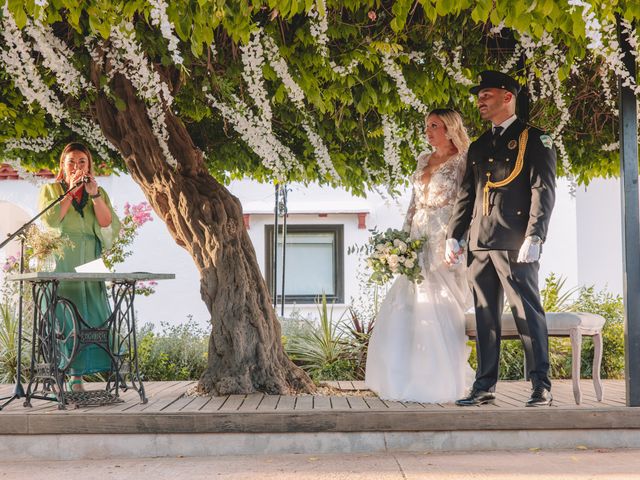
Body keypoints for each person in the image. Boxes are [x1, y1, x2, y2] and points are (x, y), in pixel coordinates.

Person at [446, 70, 557, 407]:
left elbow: (543, 190)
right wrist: (454, 235)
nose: (480, 100)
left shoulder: (536, 139)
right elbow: (468, 194)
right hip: (480, 242)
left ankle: (541, 385)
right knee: (485, 317)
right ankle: (484, 385)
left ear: (508, 97)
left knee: (526, 313)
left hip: (515, 242)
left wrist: (535, 235)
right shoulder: (479, 145)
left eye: (487, 94)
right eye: (479, 95)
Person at [365, 109, 474, 403]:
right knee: (409, 301)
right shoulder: (423, 160)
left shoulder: (464, 160)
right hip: (417, 234)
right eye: (426, 126)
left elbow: (469, 203)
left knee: (440, 304)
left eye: (434, 126)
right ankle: (402, 376)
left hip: (444, 237)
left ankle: (439, 380)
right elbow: (413, 202)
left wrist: (458, 238)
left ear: (450, 128)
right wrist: (401, 239)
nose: (428, 131)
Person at [39, 142, 121, 392]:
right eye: (72, 162)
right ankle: (60, 376)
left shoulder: (99, 191)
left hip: (90, 257)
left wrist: (94, 194)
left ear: (89, 165)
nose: (77, 166)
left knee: (92, 316)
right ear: (63, 166)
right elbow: (52, 219)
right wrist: (71, 191)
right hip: (63, 256)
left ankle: (78, 378)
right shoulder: (51, 189)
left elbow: (107, 223)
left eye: (82, 161)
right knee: (65, 317)